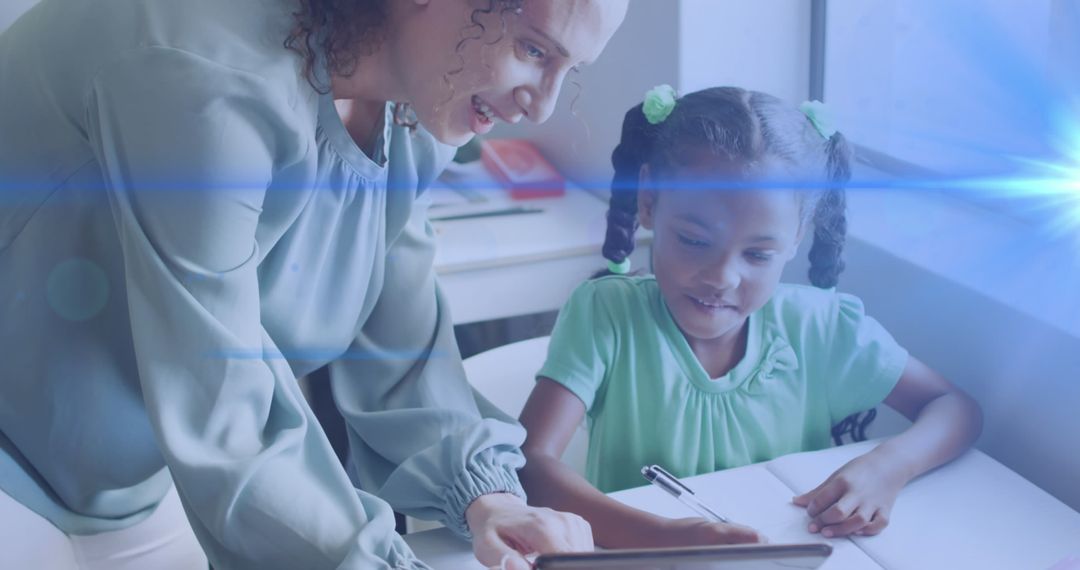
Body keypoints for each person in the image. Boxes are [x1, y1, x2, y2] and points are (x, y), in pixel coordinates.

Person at [0, 0, 627, 568]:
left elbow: (399, 345)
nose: (541, 106)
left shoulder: (411, 106)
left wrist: (489, 498)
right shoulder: (206, 74)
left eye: (570, 71)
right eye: (534, 50)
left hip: (141, 488)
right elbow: (221, 406)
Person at [517, 86, 984, 549]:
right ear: (648, 202)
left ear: (797, 235)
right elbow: (530, 462)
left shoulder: (822, 326)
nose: (722, 277)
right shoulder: (606, 313)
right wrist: (659, 537)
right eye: (695, 241)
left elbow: (954, 407)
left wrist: (887, 467)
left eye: (758, 254)